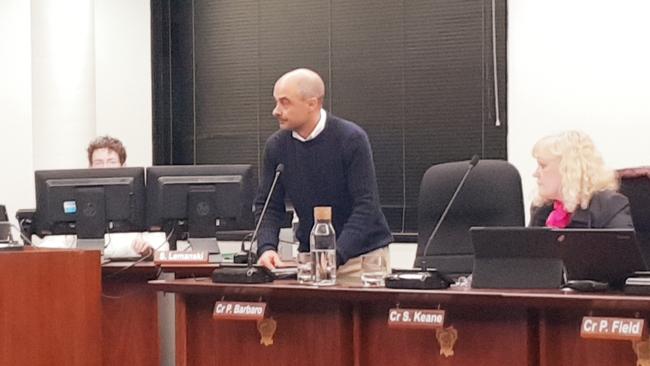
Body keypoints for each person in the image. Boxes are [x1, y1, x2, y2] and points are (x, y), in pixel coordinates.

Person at [255, 68, 393, 276]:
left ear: (312, 103)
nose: (276, 111)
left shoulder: (350, 139)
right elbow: (268, 206)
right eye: (276, 102)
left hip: (361, 260)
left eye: (285, 102)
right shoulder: (276, 146)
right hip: (310, 258)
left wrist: (334, 256)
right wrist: (266, 248)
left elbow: (366, 208)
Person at [529, 130, 633, 229]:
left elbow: (621, 247)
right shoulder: (541, 209)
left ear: (568, 169)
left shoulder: (609, 206)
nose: (535, 174)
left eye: (543, 166)